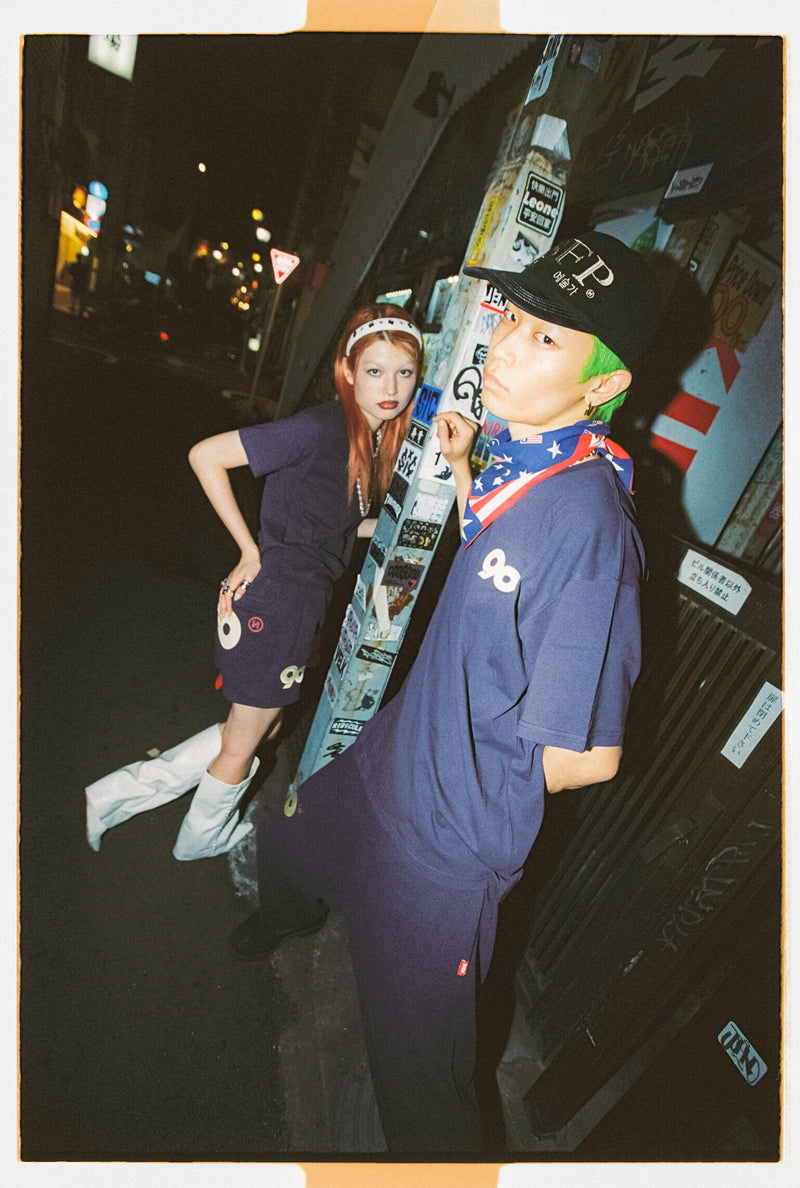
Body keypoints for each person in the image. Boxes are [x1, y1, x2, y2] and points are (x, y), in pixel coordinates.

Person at [228, 231, 661, 1152]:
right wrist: (465, 468)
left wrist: (465, 796)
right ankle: (281, 919)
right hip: (383, 762)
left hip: (440, 854)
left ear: (604, 385)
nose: (505, 345)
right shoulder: (528, 458)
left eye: (547, 338)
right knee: (288, 839)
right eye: (515, 318)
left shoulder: (593, 530)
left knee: (420, 1095)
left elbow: (588, 756)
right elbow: (498, 562)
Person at [85, 304, 424, 860]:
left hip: (297, 603)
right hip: (279, 603)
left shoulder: (364, 436)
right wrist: (249, 549)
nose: (391, 387)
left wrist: (396, 525)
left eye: (404, 372)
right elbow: (206, 456)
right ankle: (198, 839)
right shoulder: (321, 428)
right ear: (347, 370)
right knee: (245, 741)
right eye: (375, 370)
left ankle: (112, 797)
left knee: (260, 729)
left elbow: (333, 523)